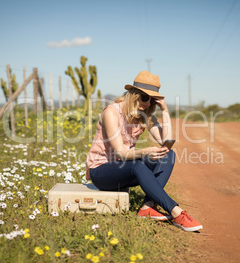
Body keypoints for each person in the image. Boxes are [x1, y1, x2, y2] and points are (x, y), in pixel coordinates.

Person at [86, 70, 202, 232]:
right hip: (101, 171)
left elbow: (166, 142)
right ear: (134, 95)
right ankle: (176, 211)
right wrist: (145, 152)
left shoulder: (145, 115)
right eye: (145, 97)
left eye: (152, 100)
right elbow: (121, 153)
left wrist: (165, 111)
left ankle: (147, 206)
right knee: (137, 165)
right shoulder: (112, 112)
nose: (148, 103)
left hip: (124, 169)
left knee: (168, 155)